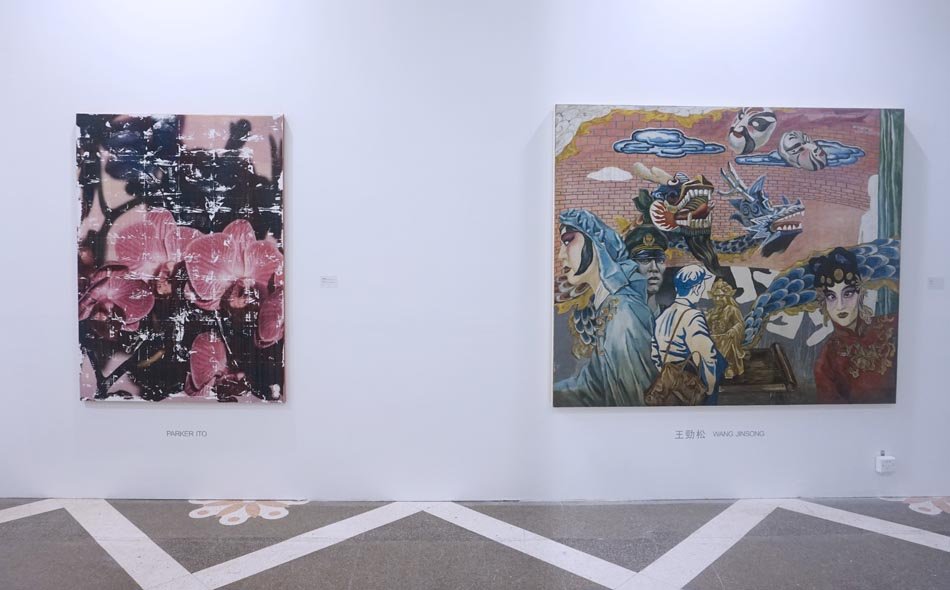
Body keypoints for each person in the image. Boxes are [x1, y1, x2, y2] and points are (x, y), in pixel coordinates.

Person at [554, 209, 657, 406]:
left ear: (597, 244)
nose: (561, 255)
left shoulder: (623, 313)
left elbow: (634, 399)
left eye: (568, 241)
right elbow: (592, 385)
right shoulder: (608, 305)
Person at [808, 248, 898, 403]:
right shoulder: (826, 362)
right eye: (831, 297)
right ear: (823, 302)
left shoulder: (891, 326)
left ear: (860, 293)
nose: (840, 306)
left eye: (847, 293)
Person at [651, 265, 725, 405]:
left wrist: (668, 375)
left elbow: (654, 354)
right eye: (702, 286)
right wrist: (710, 387)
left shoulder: (662, 316)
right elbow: (707, 355)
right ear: (696, 288)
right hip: (689, 385)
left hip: (669, 383)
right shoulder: (693, 316)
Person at [623, 225, 668, 317]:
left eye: (660, 260)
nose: (654, 268)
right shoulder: (622, 317)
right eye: (644, 260)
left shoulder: (671, 316)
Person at [707, 279, 747, 379]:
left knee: (727, 347)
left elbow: (740, 323)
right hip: (714, 339)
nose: (717, 299)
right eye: (715, 296)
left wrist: (733, 330)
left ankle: (729, 367)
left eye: (720, 296)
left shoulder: (732, 310)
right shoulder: (712, 311)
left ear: (727, 296)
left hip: (727, 339)